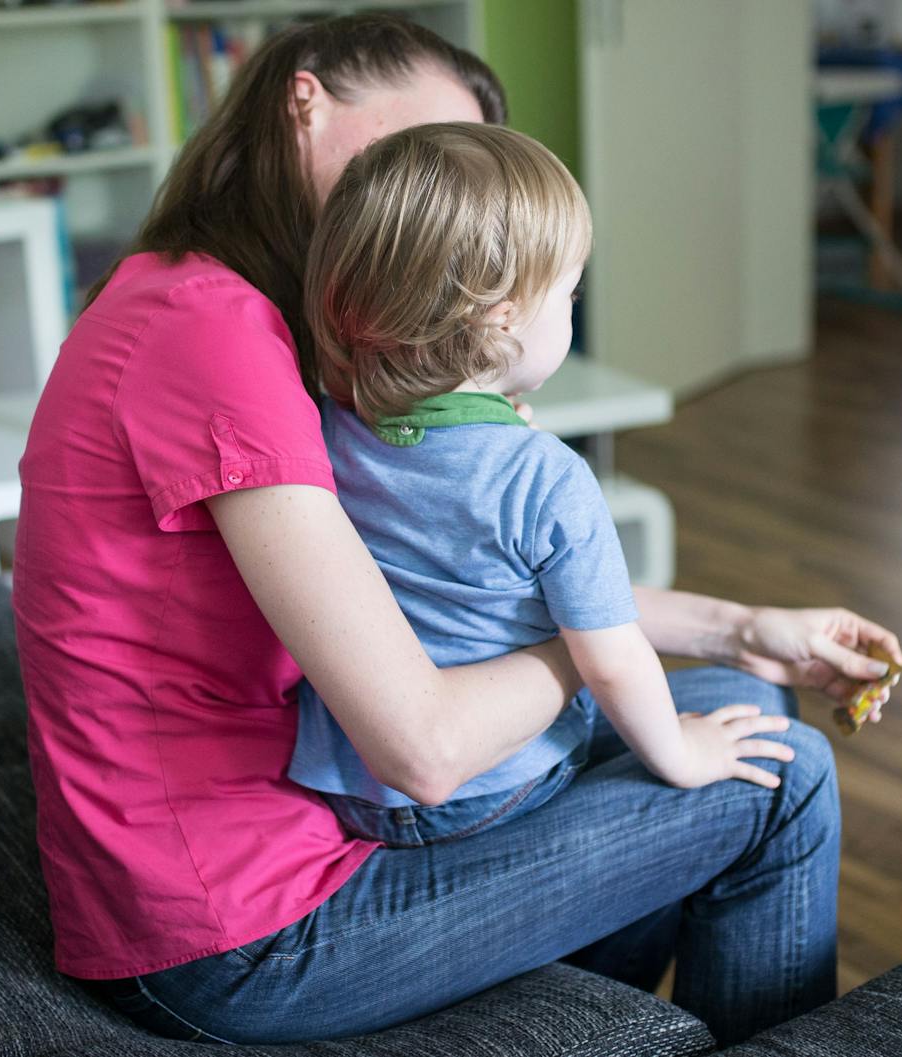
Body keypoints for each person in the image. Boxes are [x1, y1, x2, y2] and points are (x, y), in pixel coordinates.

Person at [11, 13, 902, 1047]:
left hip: (314, 803)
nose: (443, 208)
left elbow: (464, 586)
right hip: (234, 927)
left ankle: (559, 1002)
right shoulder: (215, 338)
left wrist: (741, 625)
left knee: (742, 695)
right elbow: (425, 749)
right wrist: (591, 652)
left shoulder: (234, 311)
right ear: (307, 103)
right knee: (779, 780)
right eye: (421, 159)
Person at [290, 123, 814, 850]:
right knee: (772, 757)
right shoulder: (546, 478)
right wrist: (685, 754)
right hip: (494, 790)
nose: (573, 307)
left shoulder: (324, 432)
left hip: (349, 788)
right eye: (569, 292)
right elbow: (613, 655)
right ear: (500, 318)